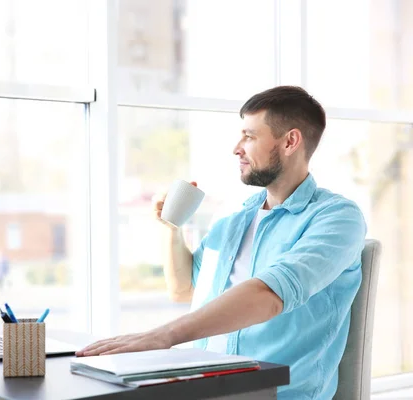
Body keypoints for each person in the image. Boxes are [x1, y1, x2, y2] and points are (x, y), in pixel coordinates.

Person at [76, 86, 367, 399]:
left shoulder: (337, 218)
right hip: (205, 387)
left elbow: (270, 295)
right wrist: (170, 229)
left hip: (275, 394)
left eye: (249, 136)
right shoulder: (235, 219)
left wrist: (163, 336)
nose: (236, 148)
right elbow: (185, 289)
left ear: (290, 141)